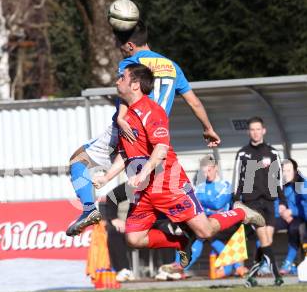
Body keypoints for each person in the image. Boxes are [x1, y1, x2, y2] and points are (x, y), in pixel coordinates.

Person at [93, 63, 265, 267]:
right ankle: (182, 242)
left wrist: (143, 174)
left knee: (206, 231)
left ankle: (241, 212)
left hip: (168, 184)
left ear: (136, 84)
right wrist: (106, 177)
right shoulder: (124, 117)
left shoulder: (152, 111)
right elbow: (125, 153)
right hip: (145, 190)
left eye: (122, 77)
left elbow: (161, 149)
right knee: (134, 239)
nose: (117, 80)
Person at [66, 20, 220, 236]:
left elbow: (126, 94)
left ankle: (88, 209)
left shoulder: (131, 63)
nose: (120, 52)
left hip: (130, 127)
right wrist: (208, 128)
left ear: (129, 45)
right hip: (154, 135)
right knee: (156, 203)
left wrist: (120, 118)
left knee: (78, 159)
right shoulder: (173, 67)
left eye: (121, 47)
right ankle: (175, 228)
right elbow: (194, 102)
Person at [156, 155, 248, 280]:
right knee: (194, 235)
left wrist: (202, 203)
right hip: (204, 223)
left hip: (223, 223)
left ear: (215, 168)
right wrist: (204, 204)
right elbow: (193, 204)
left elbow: (218, 204)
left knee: (202, 235)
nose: (206, 174)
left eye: (209, 170)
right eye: (204, 171)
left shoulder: (225, 185)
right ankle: (178, 267)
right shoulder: (199, 187)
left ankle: (180, 268)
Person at [233, 116, 285, 287]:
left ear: (264, 130)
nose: (255, 132)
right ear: (249, 132)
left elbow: (278, 180)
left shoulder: (273, 153)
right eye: (252, 129)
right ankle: (277, 276)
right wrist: (236, 200)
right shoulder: (242, 153)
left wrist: (283, 202)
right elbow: (236, 179)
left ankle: (250, 276)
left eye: (258, 129)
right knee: (264, 240)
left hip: (269, 202)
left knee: (267, 240)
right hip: (252, 204)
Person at [275, 159, 306, 275]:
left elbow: (305, 207)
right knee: (265, 226)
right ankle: (263, 262)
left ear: (295, 171)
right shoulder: (280, 185)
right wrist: (282, 211)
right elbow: (274, 204)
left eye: (289, 170)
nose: (285, 173)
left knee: (295, 228)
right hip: (285, 217)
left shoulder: (300, 184)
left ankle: (289, 262)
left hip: (299, 217)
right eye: (283, 171)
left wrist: (291, 212)